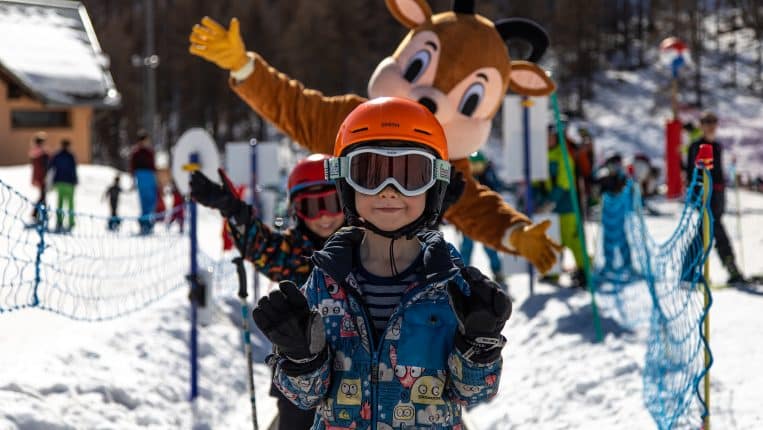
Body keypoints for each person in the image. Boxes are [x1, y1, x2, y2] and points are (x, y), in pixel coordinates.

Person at [252, 97, 512, 429]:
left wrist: (479, 347)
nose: (389, 191)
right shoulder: (327, 281)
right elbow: (306, 396)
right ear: (346, 183)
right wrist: (301, 359)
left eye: (411, 174)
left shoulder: (452, 287)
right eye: (370, 174)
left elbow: (472, 394)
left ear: (435, 185)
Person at [190, 153, 345, 430]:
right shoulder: (295, 252)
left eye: (331, 204)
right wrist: (233, 210)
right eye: (310, 207)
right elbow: (261, 247)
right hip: (299, 375)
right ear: (296, 211)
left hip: (353, 375)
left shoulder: (365, 249)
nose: (323, 217)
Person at [685, 111, 746, 284]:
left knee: (706, 231)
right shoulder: (696, 146)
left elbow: (718, 173)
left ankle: (689, 268)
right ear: (702, 125)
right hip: (705, 196)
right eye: (707, 122)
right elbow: (692, 174)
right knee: (714, 230)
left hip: (718, 196)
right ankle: (731, 268)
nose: (711, 126)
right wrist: (698, 195)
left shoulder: (717, 146)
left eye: (714, 122)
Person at [536, 124, 587, 287]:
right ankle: (553, 272)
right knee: (552, 240)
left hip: (565, 204)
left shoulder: (563, 155)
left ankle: (584, 270)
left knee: (572, 240)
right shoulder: (540, 155)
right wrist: (539, 198)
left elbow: (565, 180)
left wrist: (552, 200)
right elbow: (536, 180)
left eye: (550, 137)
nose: (547, 140)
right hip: (548, 205)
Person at [459, 151, 509, 290]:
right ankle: (463, 272)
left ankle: (497, 271)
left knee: (490, 248)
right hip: (469, 220)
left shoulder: (489, 177)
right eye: (473, 165)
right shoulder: (466, 179)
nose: (476, 168)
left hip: (485, 220)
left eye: (479, 165)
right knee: (467, 247)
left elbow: (496, 192)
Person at [129, 129, 158, 234]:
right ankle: (144, 224)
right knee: (144, 202)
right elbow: (133, 167)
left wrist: (156, 179)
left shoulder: (150, 152)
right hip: (141, 177)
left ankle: (149, 222)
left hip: (150, 177)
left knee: (152, 201)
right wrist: (133, 179)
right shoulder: (136, 153)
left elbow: (154, 167)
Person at [48, 139, 78, 232]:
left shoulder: (57, 155)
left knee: (60, 202)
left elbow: (50, 167)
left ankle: (59, 221)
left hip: (59, 182)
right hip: (69, 182)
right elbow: (73, 169)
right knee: (70, 203)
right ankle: (71, 222)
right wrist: (75, 180)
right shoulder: (71, 156)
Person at [28, 131, 49, 223]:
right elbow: (45, 166)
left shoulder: (34, 153)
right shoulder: (42, 154)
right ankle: (39, 213)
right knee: (42, 196)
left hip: (38, 177)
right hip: (42, 178)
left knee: (42, 196)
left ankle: (39, 213)